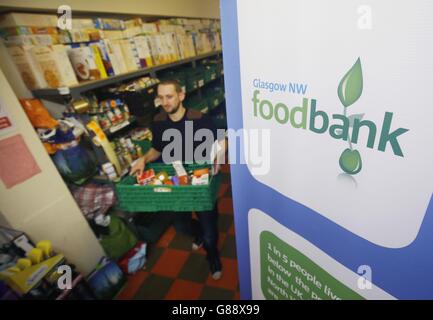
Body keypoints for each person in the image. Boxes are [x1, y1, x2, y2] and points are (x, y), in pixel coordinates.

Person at [130, 79, 225, 280]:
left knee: (210, 232)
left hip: (200, 183)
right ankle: (199, 235)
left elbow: (222, 140)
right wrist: (143, 159)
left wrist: (218, 156)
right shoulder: (158, 122)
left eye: (170, 96)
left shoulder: (199, 119)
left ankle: (213, 256)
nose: (165, 102)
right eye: (161, 97)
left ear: (181, 96)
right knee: (181, 226)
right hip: (176, 184)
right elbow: (157, 149)